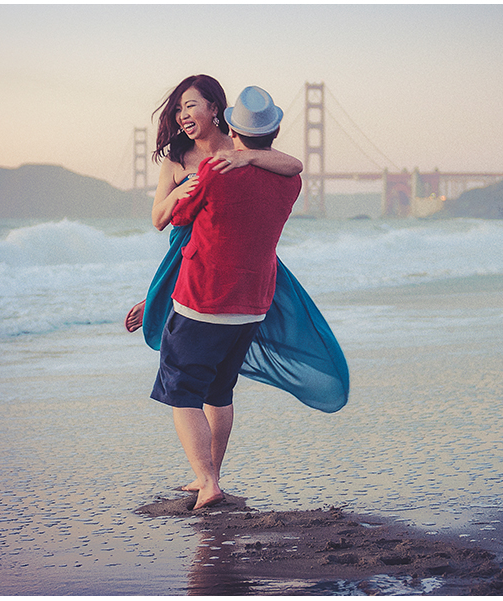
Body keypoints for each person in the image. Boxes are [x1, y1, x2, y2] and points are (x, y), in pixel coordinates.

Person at [150, 85, 303, 510]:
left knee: (181, 392)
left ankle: (206, 480)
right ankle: (212, 474)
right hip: (251, 305)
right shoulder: (289, 182)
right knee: (219, 391)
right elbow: (293, 165)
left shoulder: (218, 172)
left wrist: (188, 188)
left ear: (229, 124)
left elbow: (175, 219)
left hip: (204, 299)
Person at [124, 74, 302, 334]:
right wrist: (177, 194)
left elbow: (294, 166)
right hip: (188, 250)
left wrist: (248, 157)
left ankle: (158, 303)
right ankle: (156, 302)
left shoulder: (239, 143)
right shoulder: (176, 160)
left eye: (190, 105)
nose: (182, 114)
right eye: (178, 109)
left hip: (234, 248)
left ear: (214, 108)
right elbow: (158, 219)